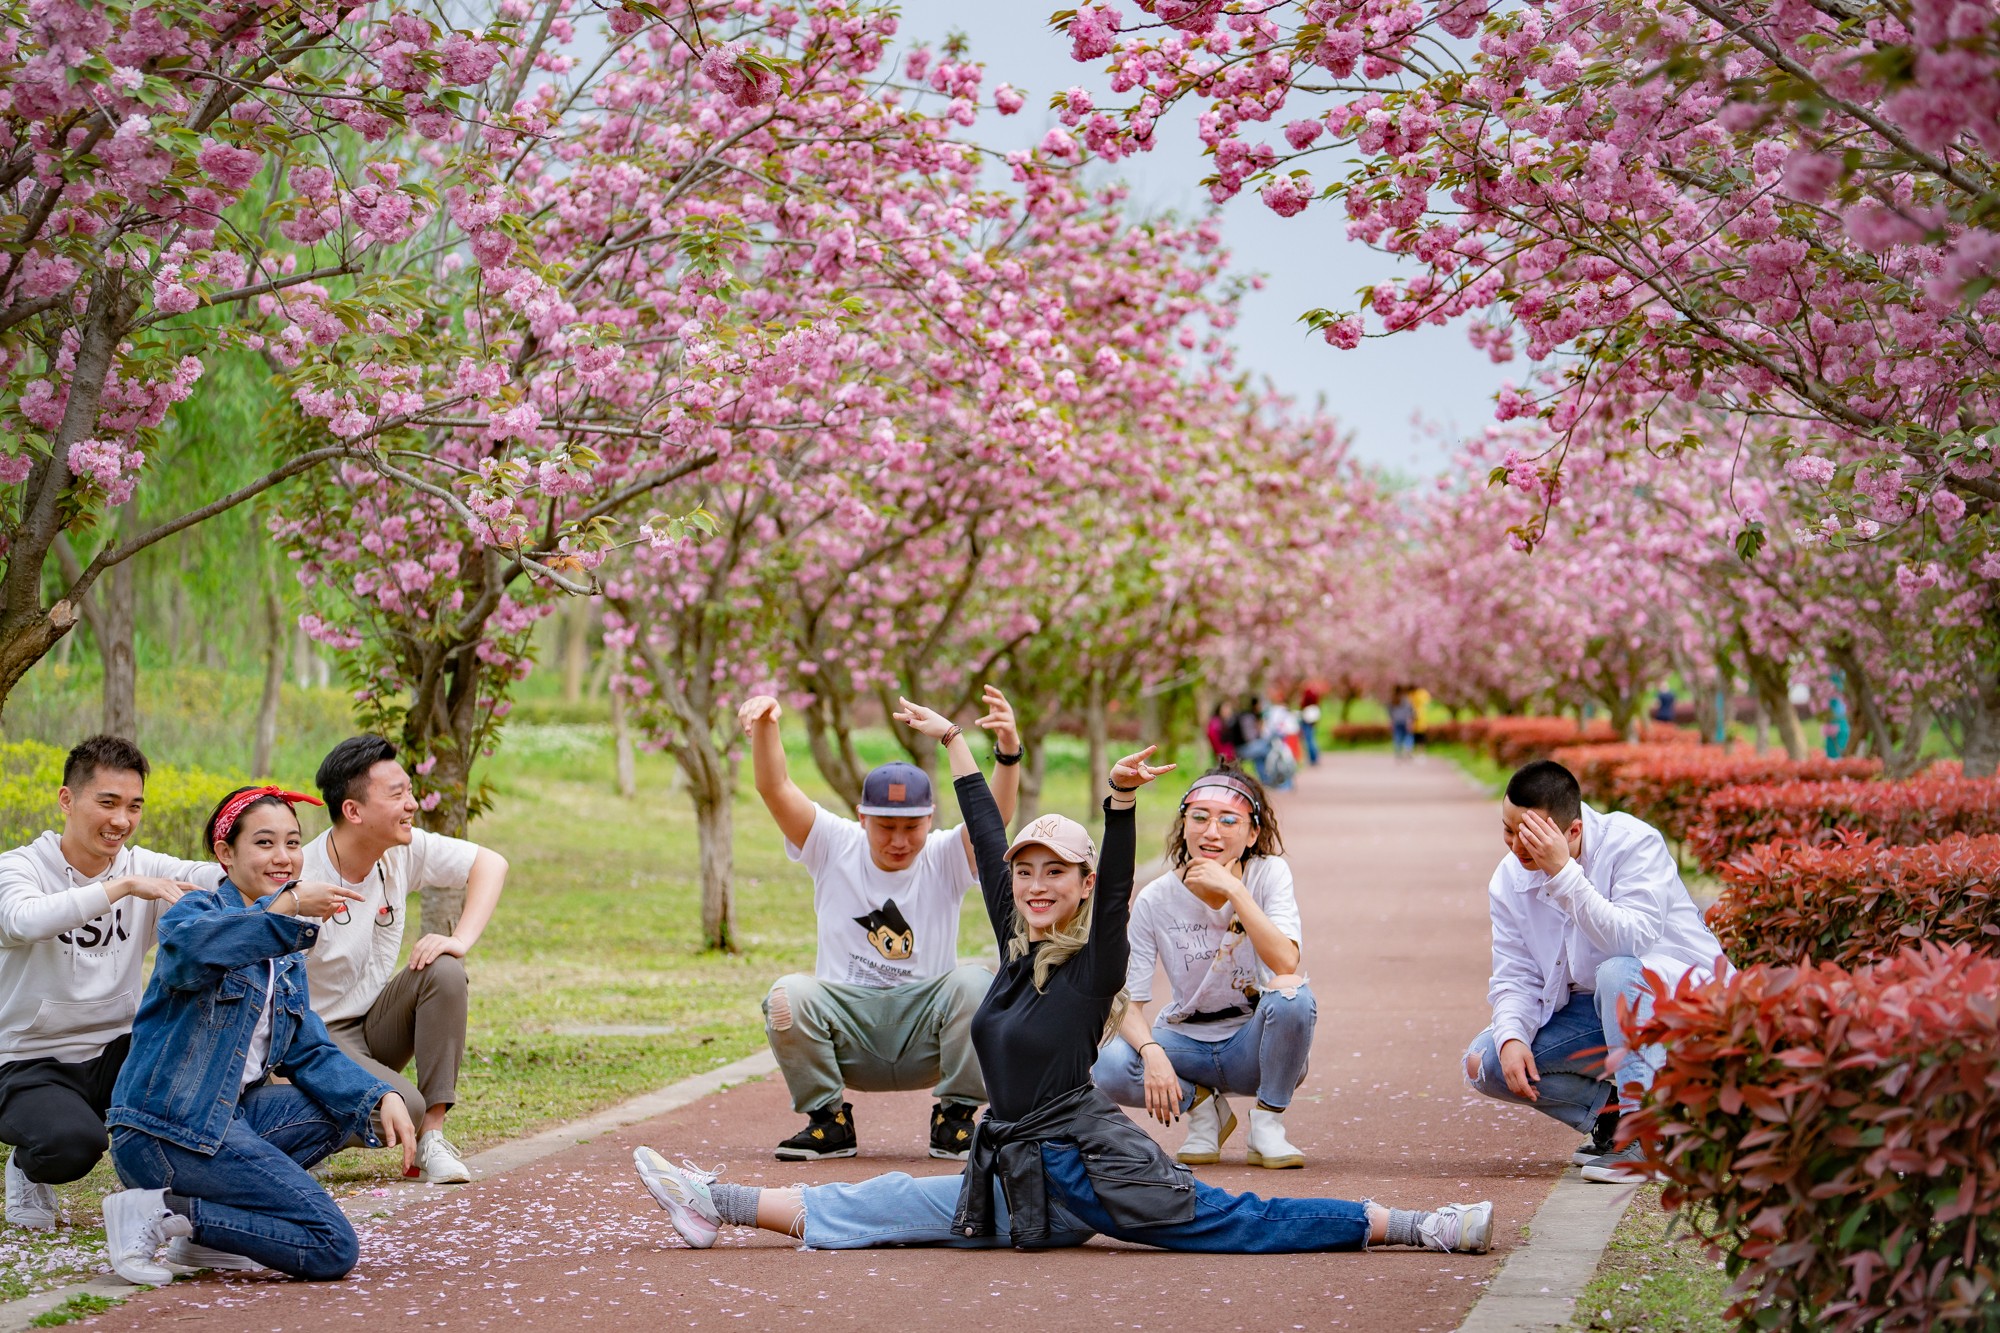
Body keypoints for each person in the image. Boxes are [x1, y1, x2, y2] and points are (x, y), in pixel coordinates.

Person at [630, 707, 1493, 1258]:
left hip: (1090, 1170)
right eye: (1026, 869)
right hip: (1013, 1165)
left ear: (1081, 884)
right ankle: (717, 1203)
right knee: (897, 1200)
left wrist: (1118, 805)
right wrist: (960, 744)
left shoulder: (1093, 969)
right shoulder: (1016, 948)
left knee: (1240, 1220)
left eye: (1057, 872)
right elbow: (984, 829)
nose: (1037, 883)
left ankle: (1416, 1224)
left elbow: (1118, 888)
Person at [102, 786, 418, 1284]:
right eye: (265, 843)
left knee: (339, 1109)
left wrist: (379, 1095)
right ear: (225, 854)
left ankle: (204, 1240)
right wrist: (285, 905)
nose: (284, 857)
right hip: (165, 1131)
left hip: (226, 1119)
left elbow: (310, 1051)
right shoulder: (195, 914)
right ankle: (163, 1211)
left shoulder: (286, 953)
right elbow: (193, 951)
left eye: (293, 843)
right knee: (331, 1245)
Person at [736, 685, 1021, 1162]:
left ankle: (954, 1121)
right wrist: (766, 725)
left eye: (911, 827)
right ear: (861, 816)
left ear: (930, 819)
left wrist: (1008, 753)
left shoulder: (945, 854)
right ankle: (828, 1122)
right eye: (886, 826)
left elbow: (994, 821)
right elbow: (775, 787)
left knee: (977, 982)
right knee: (786, 996)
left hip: (925, 1032)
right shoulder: (831, 842)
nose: (899, 840)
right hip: (849, 1030)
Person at [1462, 760, 1726, 1183]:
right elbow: (1516, 974)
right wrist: (1511, 1035)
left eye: (1531, 836)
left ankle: (1649, 1138)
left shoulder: (1633, 844)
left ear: (1573, 832)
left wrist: (1564, 874)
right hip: (1602, 1011)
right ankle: (1616, 1119)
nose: (1516, 848)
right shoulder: (1510, 878)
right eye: (1509, 831)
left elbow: (1631, 941)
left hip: (1681, 1010)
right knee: (1487, 1061)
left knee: (1617, 971)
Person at [0, 736, 223, 1231]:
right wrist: (118, 887)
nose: (121, 820)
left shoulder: (141, 865)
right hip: (27, 1058)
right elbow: (22, 921)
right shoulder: (20, 867)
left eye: (133, 806)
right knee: (73, 1145)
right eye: (107, 803)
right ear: (67, 800)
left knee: (188, 1087)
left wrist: (269, 871)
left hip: (115, 1049)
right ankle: (26, 1166)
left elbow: (206, 876)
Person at [301, 735, 510, 1185]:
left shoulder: (401, 850)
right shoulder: (303, 875)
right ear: (353, 811)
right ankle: (299, 1130)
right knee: (403, 1107)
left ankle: (433, 1140)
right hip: (315, 1037)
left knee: (445, 969)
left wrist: (460, 939)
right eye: (397, 795)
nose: (412, 804)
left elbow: (491, 864)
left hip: (374, 1023)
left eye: (409, 791)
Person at [1091, 767, 1314, 1169]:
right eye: (1199, 818)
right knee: (1105, 1063)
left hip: (1254, 1047)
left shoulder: (1269, 874)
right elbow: (1126, 1000)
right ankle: (1203, 1106)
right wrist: (1152, 1051)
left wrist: (1234, 889)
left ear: (1251, 835)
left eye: (1228, 821)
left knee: (1292, 994)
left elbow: (1286, 961)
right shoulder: (1155, 900)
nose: (1211, 831)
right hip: (1184, 1044)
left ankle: (1267, 1122)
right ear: (1184, 826)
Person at [1298, 686, 1322, 767]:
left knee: (1309, 740)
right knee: (1312, 739)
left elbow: (1303, 704)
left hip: (1307, 719)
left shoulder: (1307, 694)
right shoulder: (1314, 694)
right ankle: (1314, 757)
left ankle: (1313, 758)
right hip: (1312, 720)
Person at [1388, 688, 1415, 760]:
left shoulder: (1393, 700)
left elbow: (1390, 713)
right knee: (1408, 736)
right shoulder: (1406, 700)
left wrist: (1391, 721)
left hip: (1397, 721)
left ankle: (1398, 753)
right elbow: (1410, 711)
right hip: (1405, 721)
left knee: (1397, 737)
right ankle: (1407, 748)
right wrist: (1410, 721)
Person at [1406, 685, 1432, 751]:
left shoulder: (1414, 695)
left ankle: (1416, 751)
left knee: (1419, 737)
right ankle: (1418, 751)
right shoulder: (1420, 693)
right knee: (1419, 738)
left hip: (1417, 720)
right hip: (1417, 720)